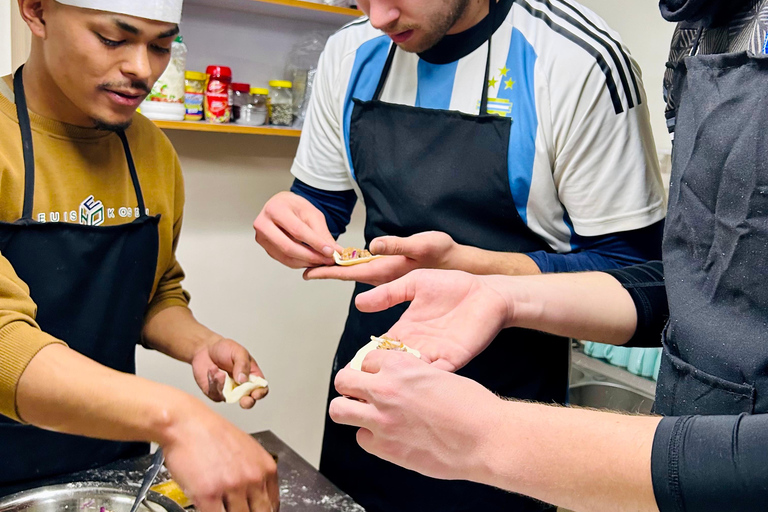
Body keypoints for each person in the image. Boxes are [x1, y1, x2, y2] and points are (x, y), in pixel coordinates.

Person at [329, 0, 768, 510]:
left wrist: (496, 436)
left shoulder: (576, 56)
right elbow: (698, 287)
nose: (378, 15)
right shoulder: (710, 24)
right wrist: (498, 292)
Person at [253, 0, 667, 509]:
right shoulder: (351, 50)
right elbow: (322, 199)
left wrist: (471, 268)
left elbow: (637, 275)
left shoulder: (577, 60)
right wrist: (293, 216)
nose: (378, 16)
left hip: (507, 398)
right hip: (370, 376)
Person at [0, 1, 278, 510]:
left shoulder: (150, 150)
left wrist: (200, 344)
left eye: (161, 45)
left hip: (114, 462)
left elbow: (153, 293)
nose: (143, 69)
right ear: (36, 12)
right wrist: (177, 416)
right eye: (113, 39)